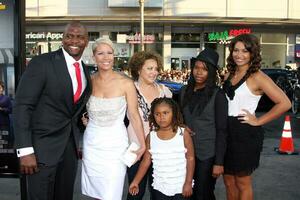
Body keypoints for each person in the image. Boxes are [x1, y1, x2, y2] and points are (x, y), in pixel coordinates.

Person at [13, 21, 91, 200]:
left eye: (80, 37)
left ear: (86, 41)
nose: (74, 41)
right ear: (62, 39)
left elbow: (71, 110)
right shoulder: (42, 63)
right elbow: (23, 106)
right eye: (69, 36)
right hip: (40, 151)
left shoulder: (84, 70)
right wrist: (25, 150)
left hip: (69, 150)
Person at [222, 34, 291, 200]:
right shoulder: (230, 74)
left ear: (253, 53)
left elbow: (285, 103)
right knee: (228, 181)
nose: (239, 55)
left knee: (242, 181)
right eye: (236, 50)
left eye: (245, 51)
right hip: (225, 132)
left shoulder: (258, 77)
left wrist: (258, 120)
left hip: (244, 133)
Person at [80, 37, 146, 200]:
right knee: (96, 192)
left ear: (114, 56)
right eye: (101, 53)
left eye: (109, 53)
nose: (106, 57)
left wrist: (143, 144)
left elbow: (134, 115)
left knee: (111, 192)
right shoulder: (88, 81)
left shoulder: (126, 83)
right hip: (92, 142)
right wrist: (85, 118)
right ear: (94, 56)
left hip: (116, 143)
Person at [179, 48, 228, 200]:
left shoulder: (218, 95)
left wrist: (219, 162)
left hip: (207, 155)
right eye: (196, 68)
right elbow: (178, 116)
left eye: (204, 69)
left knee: (203, 194)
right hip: (184, 153)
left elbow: (222, 130)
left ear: (211, 72)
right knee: (186, 193)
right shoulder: (183, 91)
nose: (199, 72)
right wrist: (181, 125)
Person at [126, 51, 172, 200]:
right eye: (149, 68)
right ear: (139, 69)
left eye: (156, 69)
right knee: (135, 192)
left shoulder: (164, 92)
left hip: (160, 150)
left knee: (158, 193)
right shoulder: (128, 89)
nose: (154, 72)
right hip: (135, 149)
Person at [129, 97, 195, 200]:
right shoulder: (151, 137)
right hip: (159, 187)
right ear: (153, 116)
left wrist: (188, 182)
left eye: (165, 113)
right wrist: (136, 181)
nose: (161, 117)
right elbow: (145, 162)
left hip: (180, 186)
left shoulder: (183, 134)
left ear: (174, 113)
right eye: (157, 114)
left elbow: (190, 158)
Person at [0, 81, 12, 146]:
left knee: (4, 141)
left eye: (1, 88)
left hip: (4, 124)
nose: (0, 89)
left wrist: (2, 109)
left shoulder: (6, 98)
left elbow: (10, 110)